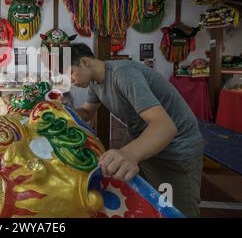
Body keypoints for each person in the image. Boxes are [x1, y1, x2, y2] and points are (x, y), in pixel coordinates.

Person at [69, 43, 203, 218]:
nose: (69, 80)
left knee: (175, 210)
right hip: (144, 141)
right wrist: (62, 111)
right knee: (141, 200)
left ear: (85, 62)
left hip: (175, 149)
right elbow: (87, 112)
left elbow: (165, 126)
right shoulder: (95, 82)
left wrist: (130, 154)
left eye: (70, 72)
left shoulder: (123, 74)